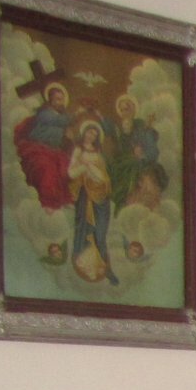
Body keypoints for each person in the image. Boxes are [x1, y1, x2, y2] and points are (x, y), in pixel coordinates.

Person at [68, 119, 119, 284]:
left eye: (95, 134)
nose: (92, 136)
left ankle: (105, 268)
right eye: (90, 132)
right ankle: (84, 266)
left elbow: (104, 176)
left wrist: (97, 174)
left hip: (101, 197)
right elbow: (71, 173)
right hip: (86, 196)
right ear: (84, 132)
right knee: (85, 231)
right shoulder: (78, 150)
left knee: (101, 234)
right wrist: (85, 168)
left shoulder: (98, 153)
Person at [12, 77, 74, 211]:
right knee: (47, 169)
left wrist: (67, 139)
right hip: (39, 149)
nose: (60, 102)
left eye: (62, 99)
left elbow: (64, 139)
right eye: (57, 99)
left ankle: (63, 200)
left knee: (64, 168)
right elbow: (56, 123)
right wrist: (64, 130)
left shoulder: (61, 116)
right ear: (50, 100)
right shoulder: (45, 114)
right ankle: (48, 202)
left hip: (55, 151)